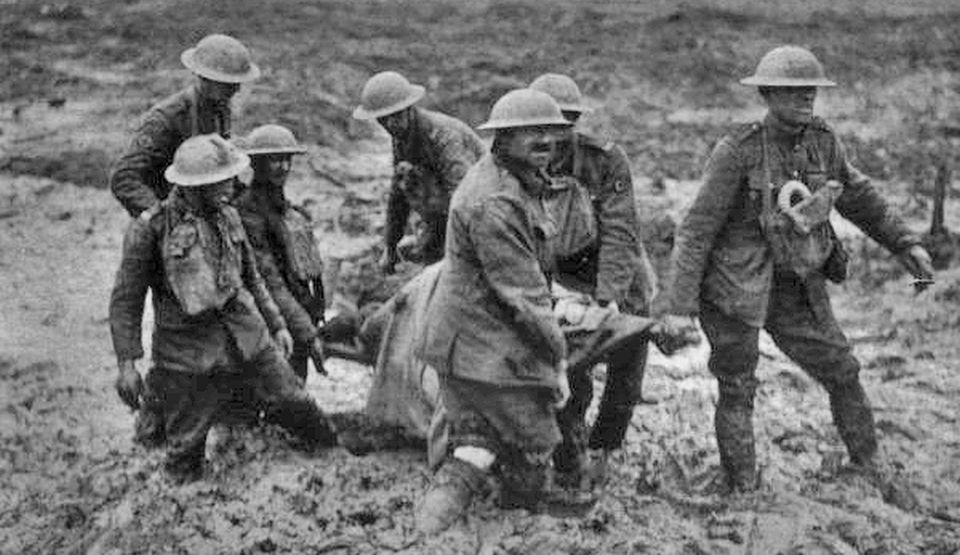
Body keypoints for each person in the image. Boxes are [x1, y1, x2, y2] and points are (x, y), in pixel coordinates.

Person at [660, 46, 935, 497]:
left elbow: (858, 196)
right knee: (737, 385)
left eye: (810, 90)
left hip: (796, 283)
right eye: (792, 91)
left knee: (842, 368)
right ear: (767, 95)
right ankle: (741, 488)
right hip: (734, 288)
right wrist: (679, 307)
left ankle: (869, 463)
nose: (805, 97)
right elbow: (696, 230)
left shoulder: (824, 142)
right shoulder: (737, 151)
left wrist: (905, 243)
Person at [109, 134, 337, 482]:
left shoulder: (229, 216)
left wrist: (277, 325)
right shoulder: (151, 229)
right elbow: (127, 299)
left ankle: (337, 465)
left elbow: (253, 278)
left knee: (298, 404)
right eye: (221, 181)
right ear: (194, 188)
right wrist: (126, 364)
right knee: (184, 456)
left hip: (249, 337)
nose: (231, 186)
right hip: (188, 354)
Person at [411, 88, 576, 535]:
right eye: (531, 132)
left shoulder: (514, 179)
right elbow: (524, 295)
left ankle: (431, 533)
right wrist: (558, 361)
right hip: (483, 345)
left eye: (550, 131)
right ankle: (520, 526)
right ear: (502, 138)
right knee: (535, 444)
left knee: (477, 445)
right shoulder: (495, 201)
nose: (545, 140)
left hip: (467, 338)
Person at [529, 73, 659, 487]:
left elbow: (621, 230)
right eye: (545, 125)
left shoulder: (604, 160)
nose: (555, 135)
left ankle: (606, 448)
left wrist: (608, 298)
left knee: (626, 369)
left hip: (619, 274)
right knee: (567, 368)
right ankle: (569, 450)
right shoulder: (519, 164)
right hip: (562, 277)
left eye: (565, 123)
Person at [110, 33, 260, 218]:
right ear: (206, 79)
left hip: (206, 211)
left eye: (237, 83)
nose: (236, 90)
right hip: (175, 218)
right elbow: (124, 178)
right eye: (229, 84)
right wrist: (158, 216)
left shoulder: (220, 108)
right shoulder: (166, 119)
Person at [351, 71, 485, 272]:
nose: (389, 125)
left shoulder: (444, 136)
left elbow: (464, 198)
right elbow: (398, 196)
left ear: (408, 109)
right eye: (382, 119)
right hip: (446, 216)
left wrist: (456, 253)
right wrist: (390, 246)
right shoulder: (402, 137)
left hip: (481, 214)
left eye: (395, 116)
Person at [236, 124, 326, 382]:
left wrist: (314, 317)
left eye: (287, 159)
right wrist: (306, 331)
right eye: (275, 159)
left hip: (296, 314)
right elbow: (269, 279)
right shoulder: (249, 212)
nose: (284, 167)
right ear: (256, 163)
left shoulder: (287, 210)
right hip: (270, 321)